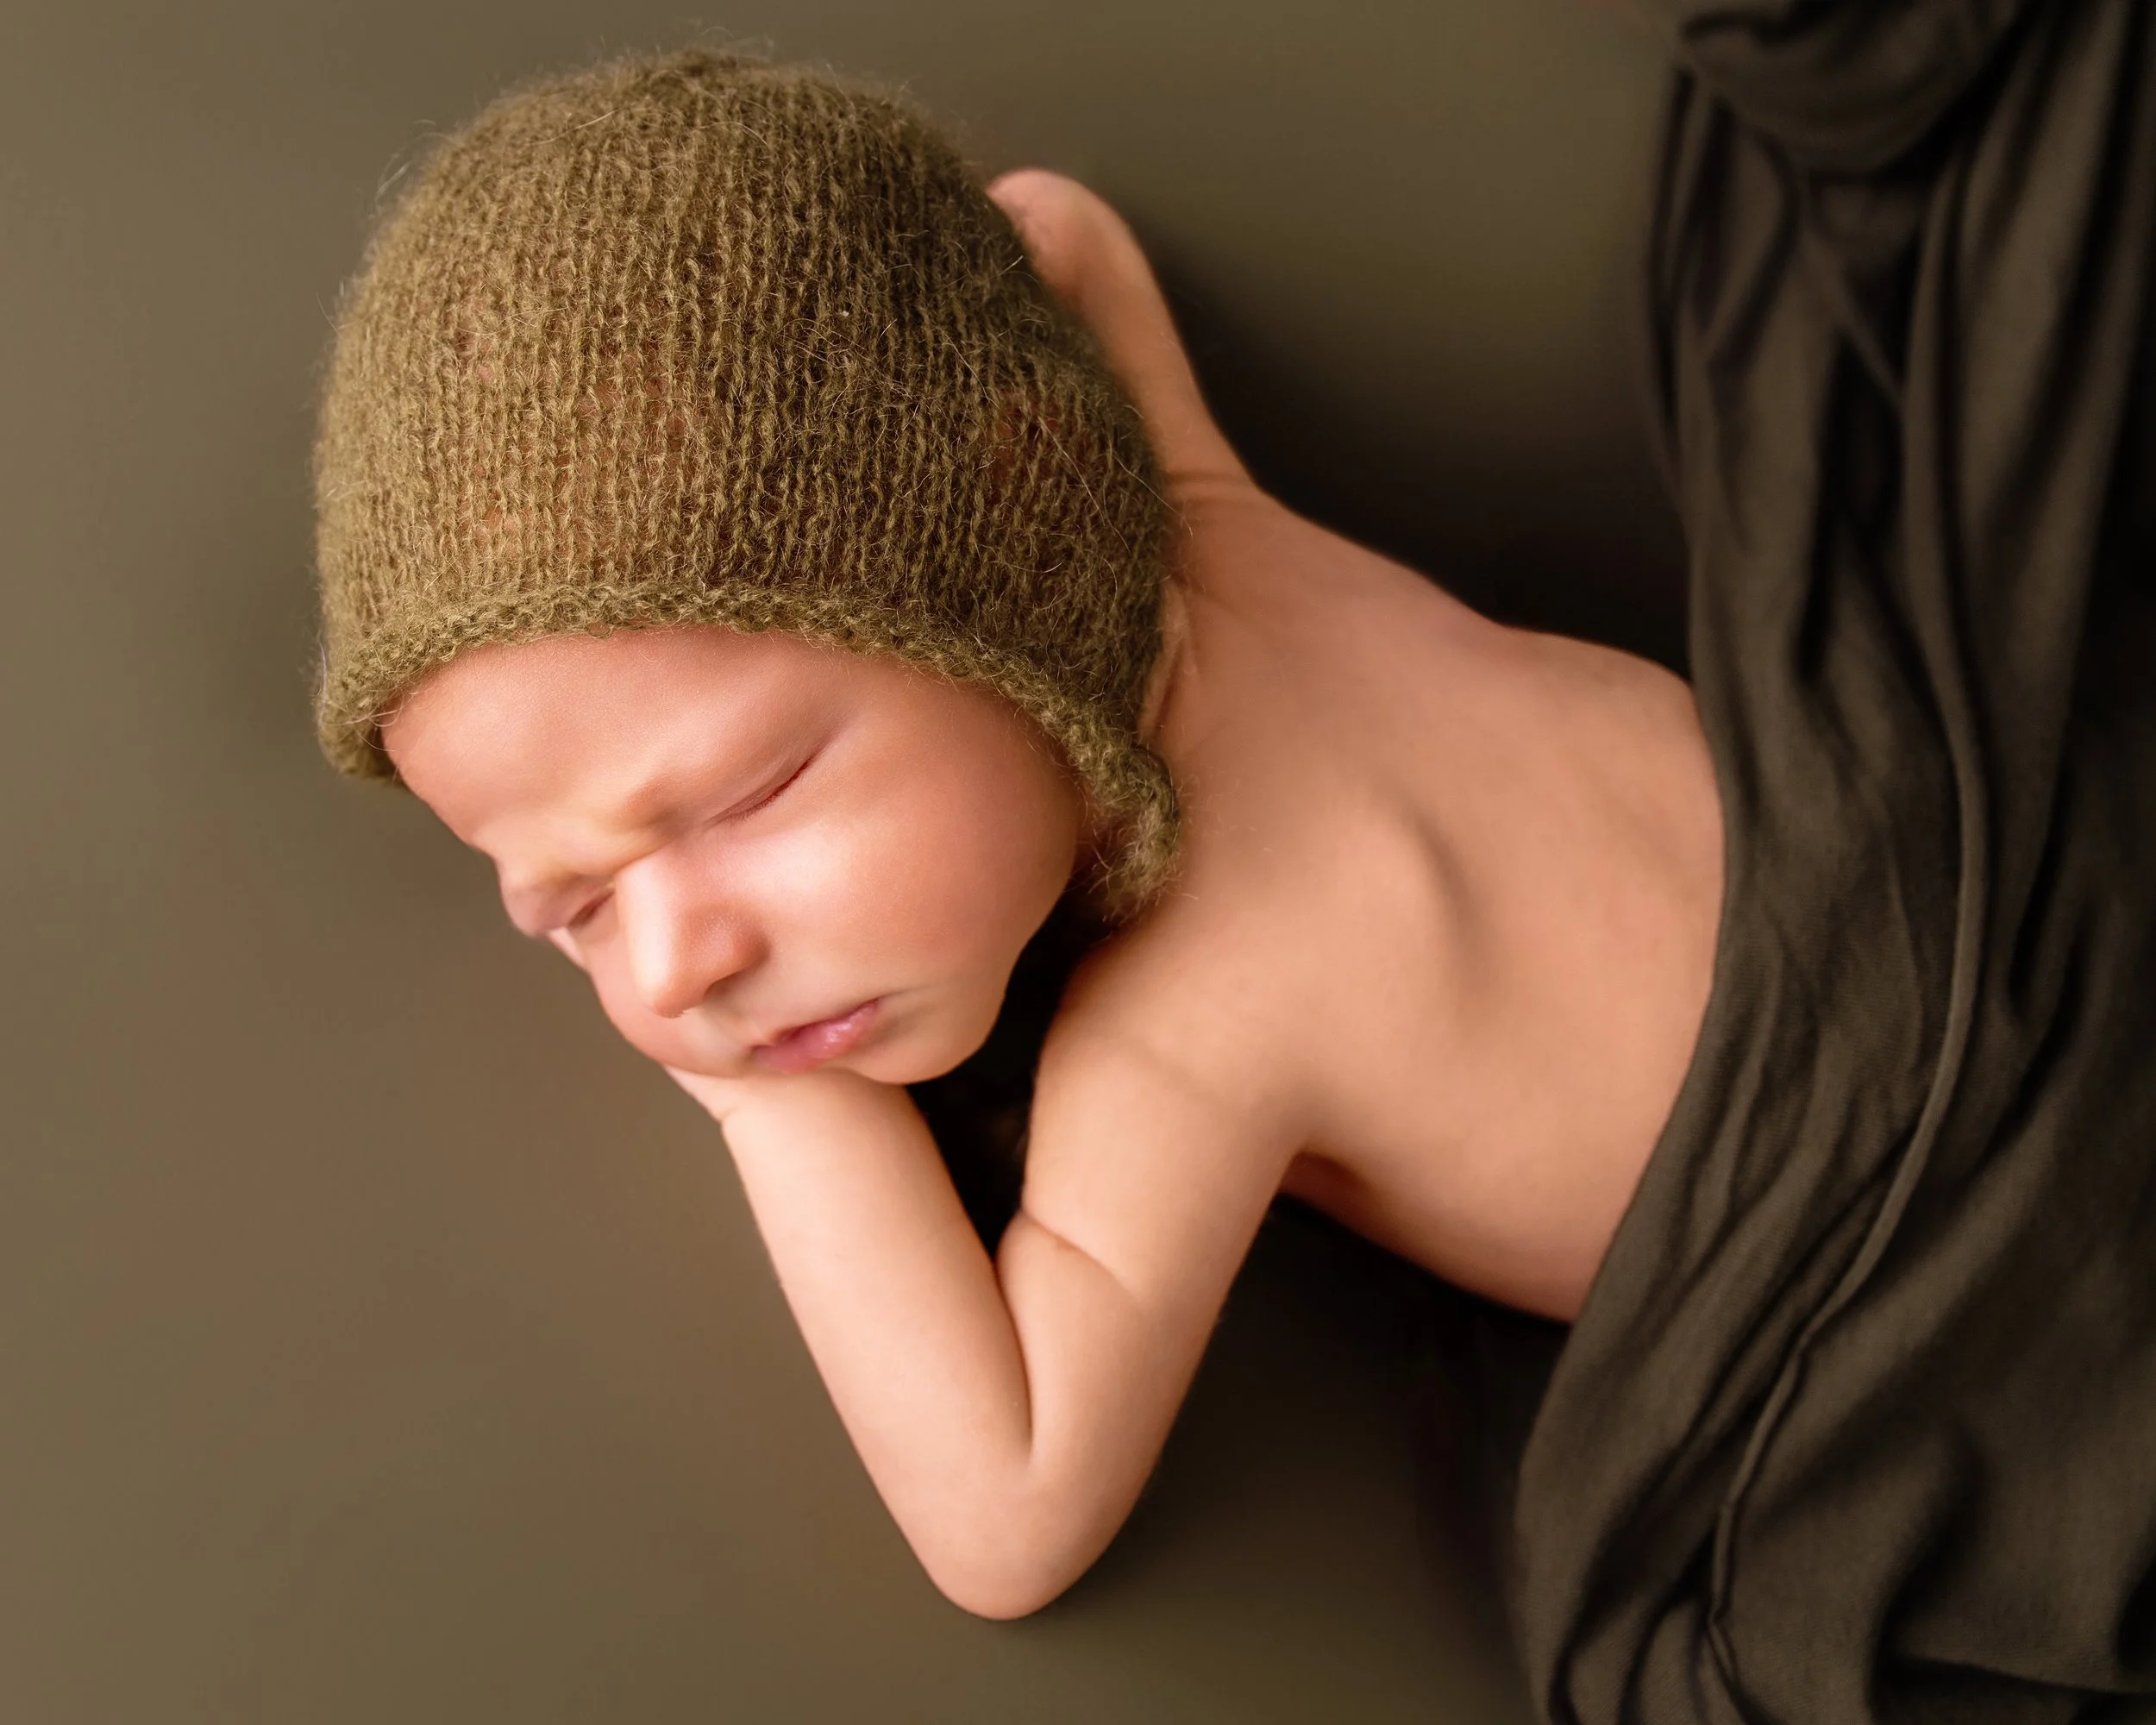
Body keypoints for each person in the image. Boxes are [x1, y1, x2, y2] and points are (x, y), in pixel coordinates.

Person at [316, 47, 1720, 1629]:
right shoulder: (1186, 494)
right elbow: (1056, 227)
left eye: (748, 799)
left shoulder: (1207, 1011)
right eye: (570, 909)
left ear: (1011, 505)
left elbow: (1008, 1518)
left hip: (1910, 1193)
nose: (678, 961)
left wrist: (763, 1113)